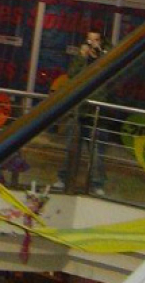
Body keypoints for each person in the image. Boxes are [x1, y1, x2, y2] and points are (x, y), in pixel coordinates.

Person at [52, 30, 111, 196]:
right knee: (71, 149)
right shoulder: (82, 57)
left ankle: (97, 184)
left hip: (96, 115)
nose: (92, 43)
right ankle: (64, 179)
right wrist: (82, 57)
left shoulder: (106, 56)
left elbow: (109, 72)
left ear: (102, 41)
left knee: (96, 153)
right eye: (89, 40)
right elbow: (72, 74)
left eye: (96, 40)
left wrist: (100, 53)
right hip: (78, 112)